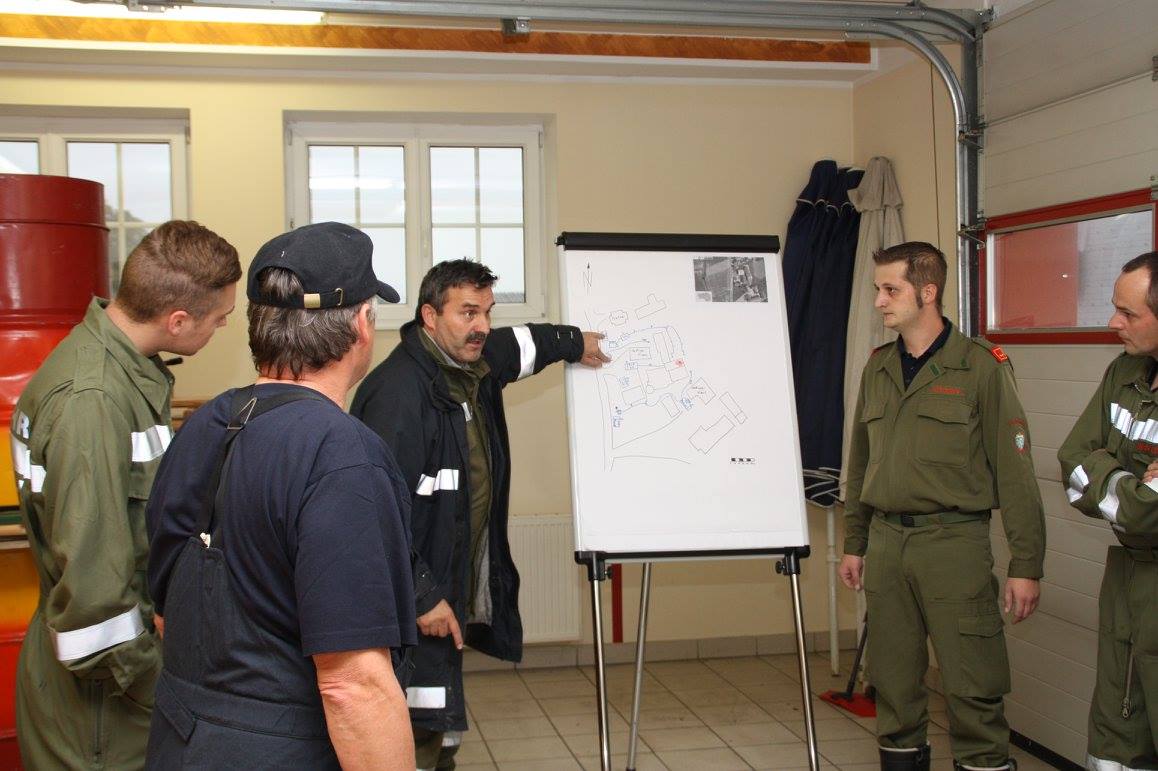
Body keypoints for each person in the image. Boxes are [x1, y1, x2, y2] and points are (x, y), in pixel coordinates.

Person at [144, 222, 417, 769]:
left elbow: (168, 615)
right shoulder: (342, 456)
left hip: (181, 741)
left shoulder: (204, 425)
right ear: (362, 325)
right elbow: (351, 684)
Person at [350, 258, 609, 770]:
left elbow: (523, 345)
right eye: (468, 313)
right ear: (430, 316)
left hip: (447, 589)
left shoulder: (472, 365)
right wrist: (423, 596)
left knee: (439, 717)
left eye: (488, 312)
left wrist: (574, 341)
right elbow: (373, 518)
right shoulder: (397, 396)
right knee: (411, 722)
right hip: (412, 603)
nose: (483, 326)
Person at [9, 220, 240, 770]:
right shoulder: (92, 402)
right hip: (103, 703)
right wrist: (163, 692)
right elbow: (94, 604)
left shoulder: (123, 370)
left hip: (116, 680)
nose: (222, 327)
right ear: (177, 320)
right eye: (219, 319)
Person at [838, 241, 1046, 771]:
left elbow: (1016, 473)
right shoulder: (879, 367)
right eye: (877, 290)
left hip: (952, 544)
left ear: (927, 292)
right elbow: (860, 464)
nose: (879, 301)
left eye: (891, 290)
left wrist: (1026, 564)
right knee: (893, 686)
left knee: (973, 686)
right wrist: (855, 543)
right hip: (887, 544)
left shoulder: (980, 367)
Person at [1058, 251, 1158, 771]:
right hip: (1127, 577)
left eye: (1129, 313)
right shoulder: (1125, 373)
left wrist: (1107, 478)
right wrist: (1128, 488)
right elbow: (1072, 459)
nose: (1114, 322)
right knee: (1116, 731)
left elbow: (1149, 511)